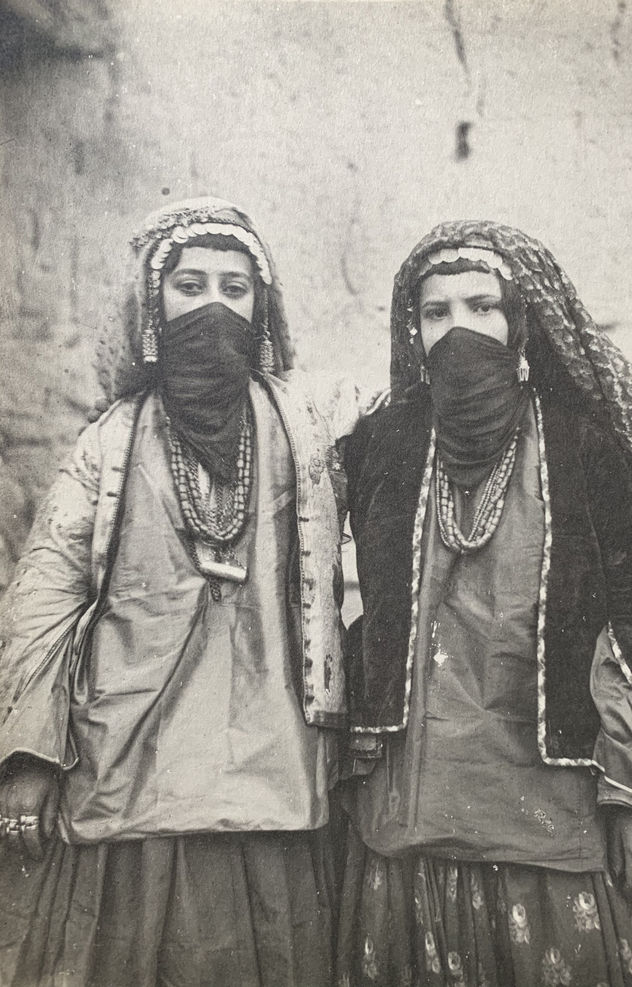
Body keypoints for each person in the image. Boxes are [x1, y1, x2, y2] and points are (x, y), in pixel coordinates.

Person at [337, 221, 632, 986]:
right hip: (413, 824)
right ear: (412, 331)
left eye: (481, 306)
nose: (458, 329)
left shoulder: (580, 444)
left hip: (556, 821)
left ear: (521, 323)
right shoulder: (382, 446)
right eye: (435, 312)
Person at [0, 197, 374, 987]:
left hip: (272, 764)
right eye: (190, 285)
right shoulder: (110, 439)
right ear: (152, 307)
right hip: (130, 763)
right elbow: (44, 601)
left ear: (262, 309)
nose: (213, 307)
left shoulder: (309, 427)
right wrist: (30, 753)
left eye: (235, 290)